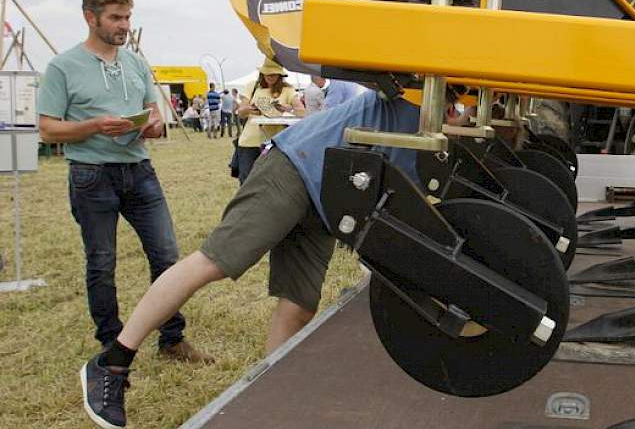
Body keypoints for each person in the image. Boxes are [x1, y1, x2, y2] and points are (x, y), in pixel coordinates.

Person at [79, 83, 476, 429]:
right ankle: (112, 363)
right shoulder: (419, 84)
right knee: (213, 262)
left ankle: (269, 403)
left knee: (300, 305)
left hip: (334, 202)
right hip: (299, 165)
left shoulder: (464, 114)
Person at [37, 0, 212, 416]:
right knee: (102, 262)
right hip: (91, 174)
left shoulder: (135, 63)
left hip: (140, 170)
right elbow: (47, 129)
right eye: (116, 18)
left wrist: (152, 126)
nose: (124, 27)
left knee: (168, 257)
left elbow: (154, 117)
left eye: (128, 18)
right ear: (90, 17)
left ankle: (172, 339)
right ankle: (111, 354)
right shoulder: (63, 67)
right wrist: (96, 125)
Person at [234, 59, 304, 184]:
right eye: (267, 73)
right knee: (246, 182)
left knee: (271, 182)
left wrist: (287, 109)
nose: (270, 77)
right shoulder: (252, 86)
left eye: (273, 74)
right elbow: (241, 112)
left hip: (273, 144)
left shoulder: (288, 90)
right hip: (249, 142)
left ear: (280, 75)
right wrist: (251, 108)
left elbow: (302, 112)